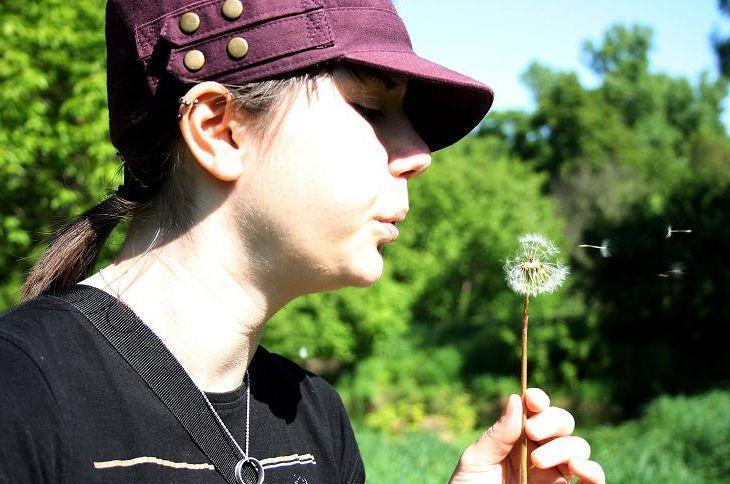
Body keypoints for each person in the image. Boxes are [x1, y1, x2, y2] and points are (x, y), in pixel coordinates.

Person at [0, 1, 606, 483]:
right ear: (221, 130)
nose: (420, 154)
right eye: (372, 107)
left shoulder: (314, 420)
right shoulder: (20, 394)